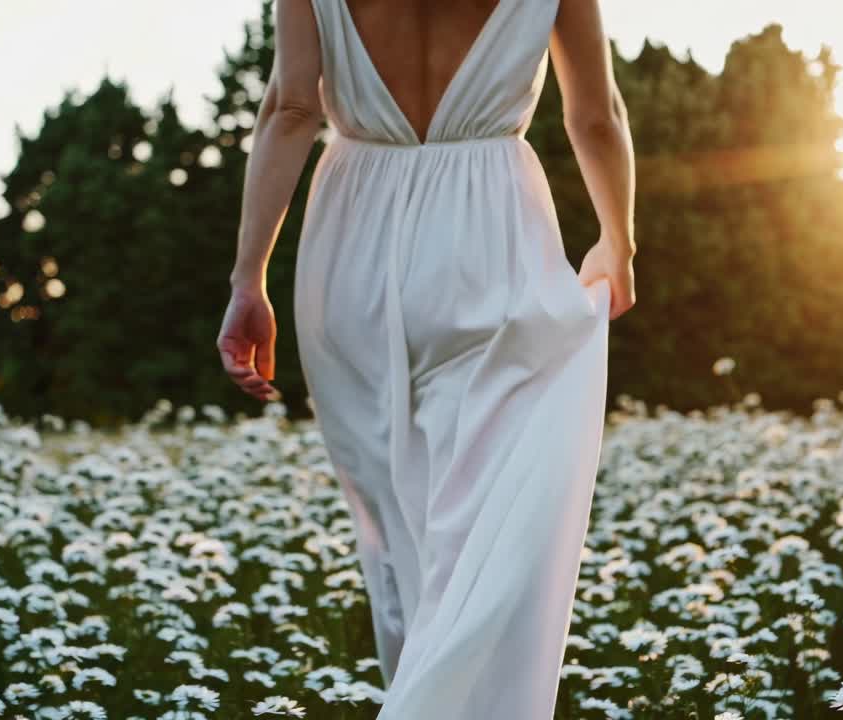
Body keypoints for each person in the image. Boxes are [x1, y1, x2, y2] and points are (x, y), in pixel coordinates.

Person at [219, 0, 635, 716]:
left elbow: (289, 110)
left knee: (398, 533)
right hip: (491, 234)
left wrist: (247, 279)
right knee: (485, 522)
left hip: (352, 245)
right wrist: (618, 239)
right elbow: (595, 116)